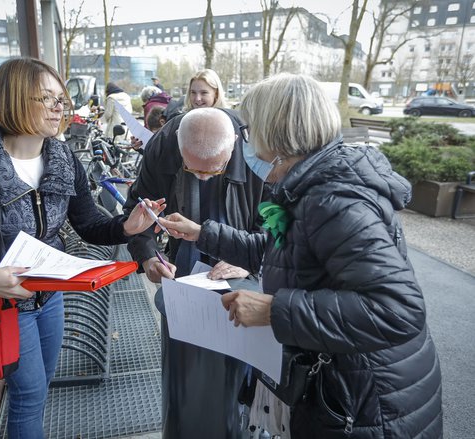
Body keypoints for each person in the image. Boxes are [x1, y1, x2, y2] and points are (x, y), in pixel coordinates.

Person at [158, 73, 443, 438]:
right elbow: (281, 250)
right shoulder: (309, 186)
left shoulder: (334, 199)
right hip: (351, 391)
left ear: (277, 133)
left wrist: (273, 310)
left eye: (250, 129)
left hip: (369, 405)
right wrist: (203, 233)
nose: (246, 140)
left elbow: (398, 309)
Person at [0, 57, 165, 439]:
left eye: (61, 99)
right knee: (30, 392)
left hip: (50, 294)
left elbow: (88, 223)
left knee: (41, 384)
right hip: (2, 301)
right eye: (46, 98)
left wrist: (125, 227)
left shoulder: (61, 156)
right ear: (15, 100)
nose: (60, 108)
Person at [123, 107, 264, 438]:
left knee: (234, 369)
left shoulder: (257, 148)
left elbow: (275, 219)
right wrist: (147, 257)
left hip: (238, 270)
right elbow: (140, 208)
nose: (202, 178)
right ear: (178, 147)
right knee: (184, 366)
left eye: (213, 171)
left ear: (232, 150)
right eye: (192, 169)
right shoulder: (163, 146)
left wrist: (247, 257)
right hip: (186, 269)